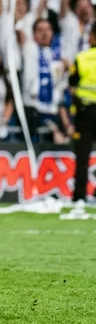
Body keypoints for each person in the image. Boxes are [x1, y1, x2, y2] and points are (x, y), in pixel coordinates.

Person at [67, 26, 96, 218]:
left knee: (83, 157)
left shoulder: (82, 58)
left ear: (92, 36)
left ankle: (79, 196)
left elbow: (72, 86)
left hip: (86, 113)